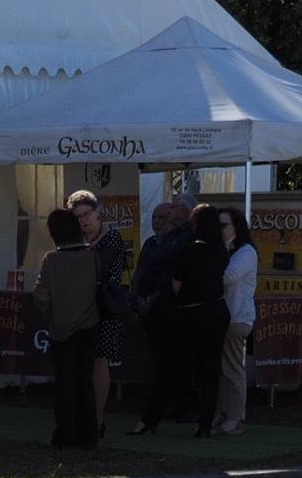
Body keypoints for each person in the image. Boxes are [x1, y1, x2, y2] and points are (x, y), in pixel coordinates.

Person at [32, 207, 100, 448]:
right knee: (85, 382)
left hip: (61, 329)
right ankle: (89, 434)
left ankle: (65, 434)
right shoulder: (92, 255)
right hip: (89, 326)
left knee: (65, 385)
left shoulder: (51, 260)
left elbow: (41, 296)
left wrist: (49, 317)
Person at [69, 188, 127, 439]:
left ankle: (98, 418)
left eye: (86, 214)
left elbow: (101, 273)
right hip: (77, 310)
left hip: (103, 309)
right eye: (78, 216)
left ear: (98, 213)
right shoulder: (74, 240)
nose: (84, 220)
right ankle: (81, 416)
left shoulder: (111, 238)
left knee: (100, 363)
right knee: (80, 364)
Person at [130, 198, 191, 433]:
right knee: (156, 359)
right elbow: (140, 270)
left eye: (162, 217)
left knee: (171, 360)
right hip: (147, 311)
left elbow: (170, 276)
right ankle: (161, 403)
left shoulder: (176, 244)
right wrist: (137, 297)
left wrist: (152, 298)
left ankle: (177, 405)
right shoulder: (149, 243)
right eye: (154, 217)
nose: (157, 222)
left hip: (166, 309)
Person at [171, 203, 231, 436]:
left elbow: (176, 285)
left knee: (182, 365)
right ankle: (205, 422)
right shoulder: (221, 251)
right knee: (211, 370)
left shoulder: (188, 250)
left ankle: (175, 410)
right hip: (216, 312)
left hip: (192, 313)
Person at [215, 205, 258, 435]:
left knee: (233, 369)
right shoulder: (225, 250)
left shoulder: (246, 252)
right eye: (217, 225)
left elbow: (227, 278)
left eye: (224, 225)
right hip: (223, 318)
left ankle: (236, 417)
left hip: (237, 318)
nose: (219, 229)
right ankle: (223, 414)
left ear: (236, 227)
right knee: (222, 370)